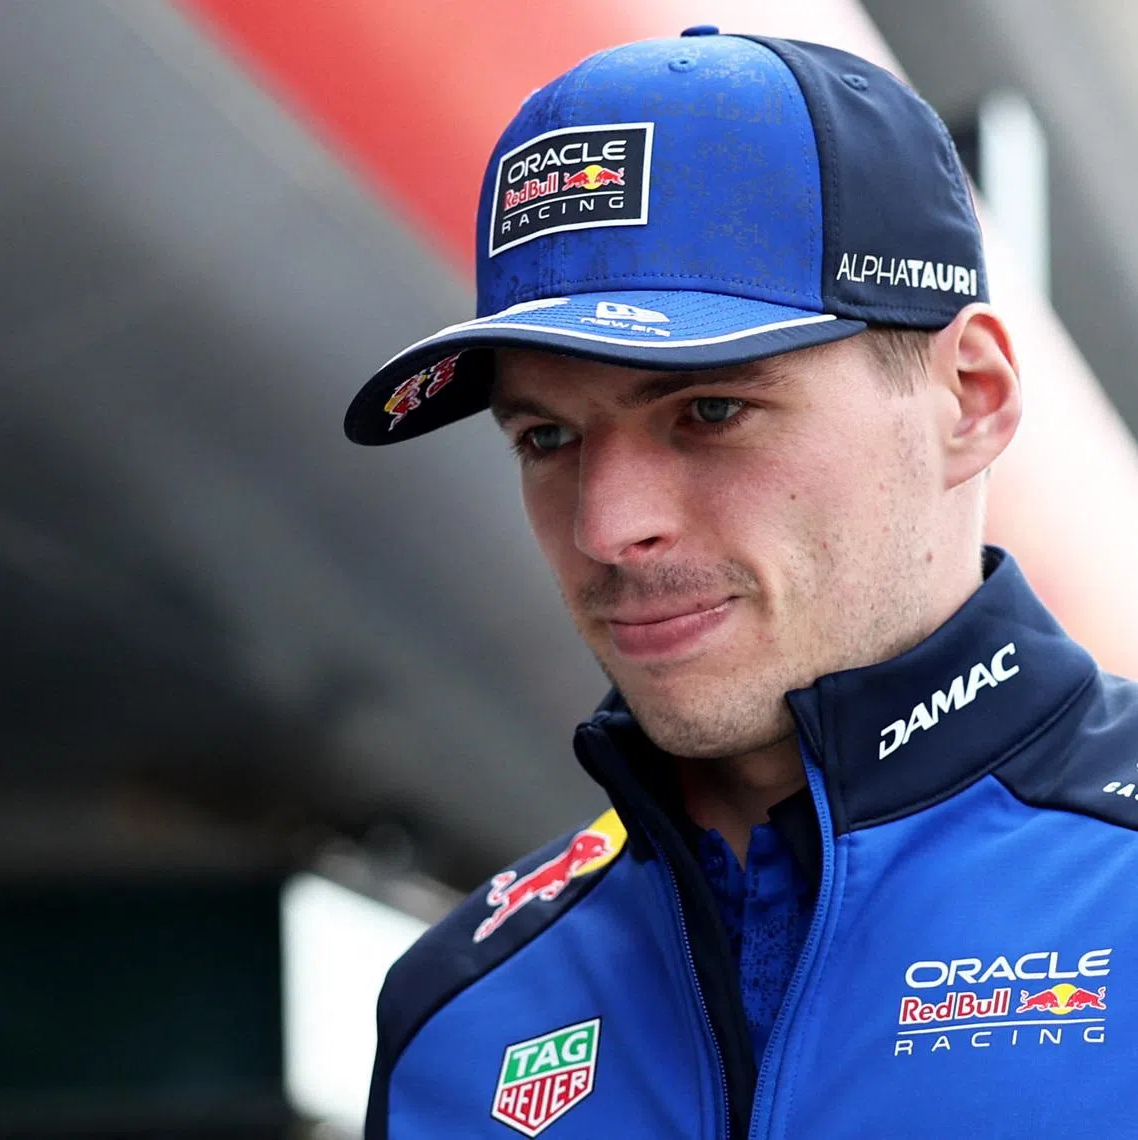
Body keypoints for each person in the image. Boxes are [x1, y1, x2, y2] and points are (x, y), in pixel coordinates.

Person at [345, 28, 1138, 1140]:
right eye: (546, 438)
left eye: (711, 412)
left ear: (971, 398)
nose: (610, 527)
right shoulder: (457, 1015)